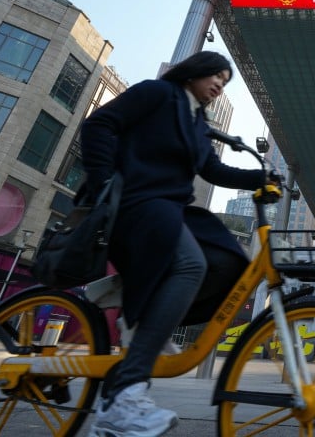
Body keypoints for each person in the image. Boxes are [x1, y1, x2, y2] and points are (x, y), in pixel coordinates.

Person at [81, 51, 272, 437]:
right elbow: (98, 124)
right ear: (193, 73)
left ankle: (145, 317)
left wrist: (261, 178)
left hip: (169, 210)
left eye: (224, 82)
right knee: (191, 263)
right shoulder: (157, 93)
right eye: (215, 75)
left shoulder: (198, 122)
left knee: (228, 261)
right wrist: (104, 181)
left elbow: (212, 169)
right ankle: (123, 397)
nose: (219, 85)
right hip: (134, 201)